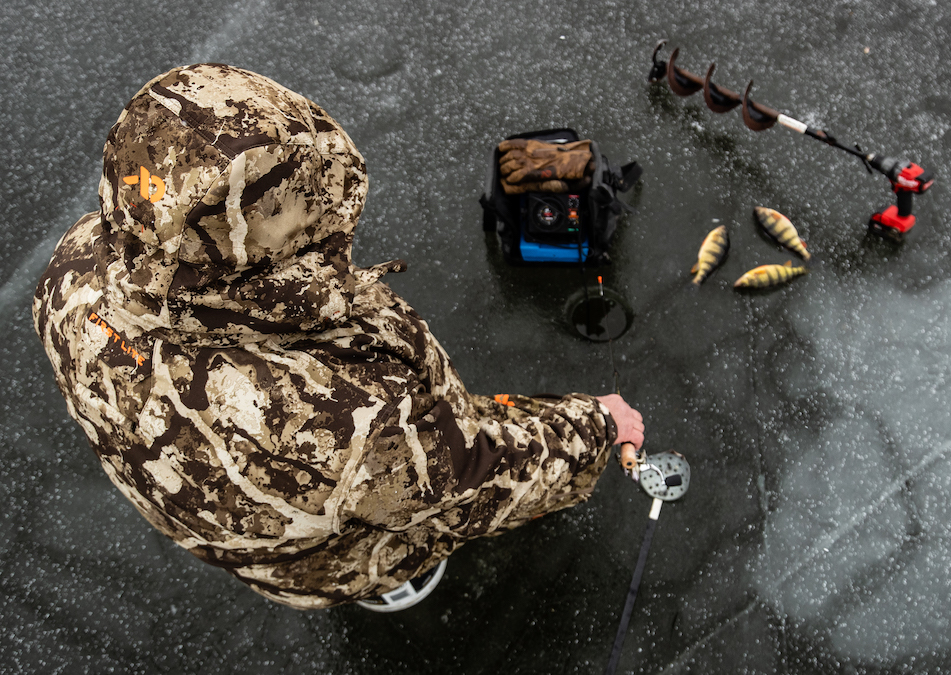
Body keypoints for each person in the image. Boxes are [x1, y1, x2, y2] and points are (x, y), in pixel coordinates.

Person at [31, 63, 644, 610]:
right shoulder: (350, 420)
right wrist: (596, 426)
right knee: (402, 525)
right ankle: (388, 577)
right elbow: (477, 477)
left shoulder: (72, 269)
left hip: (245, 534)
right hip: (338, 546)